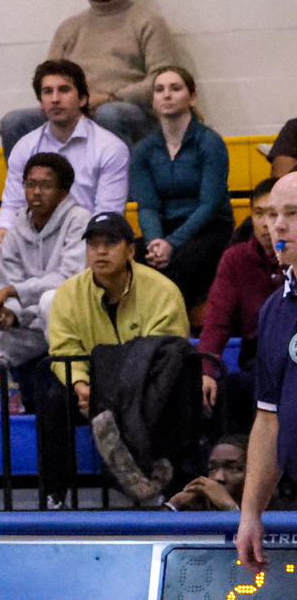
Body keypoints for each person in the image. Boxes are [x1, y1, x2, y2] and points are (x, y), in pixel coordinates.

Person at [39, 211, 189, 507]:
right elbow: (64, 348)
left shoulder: (162, 291)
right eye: (93, 244)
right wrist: (81, 385)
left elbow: (165, 354)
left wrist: (117, 392)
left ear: (131, 250)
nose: (101, 250)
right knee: (54, 401)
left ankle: (171, 491)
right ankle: (54, 494)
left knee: (174, 397)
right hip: (91, 387)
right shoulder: (68, 294)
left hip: (148, 385)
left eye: (111, 242)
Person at [0, 0, 180, 152]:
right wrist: (65, 101)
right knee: (13, 122)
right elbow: (47, 78)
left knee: (109, 115)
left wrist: (110, 98)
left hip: (127, 112)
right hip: (73, 110)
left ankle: (121, 184)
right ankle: (31, 184)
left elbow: (162, 79)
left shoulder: (147, 22)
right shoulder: (69, 28)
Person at [0, 59, 130, 296]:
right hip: (34, 236)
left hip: (82, 237)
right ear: (41, 103)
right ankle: (9, 323)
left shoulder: (110, 147)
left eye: (64, 90)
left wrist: (85, 243)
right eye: (47, 92)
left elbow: (108, 214)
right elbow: (13, 203)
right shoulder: (25, 147)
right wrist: (3, 230)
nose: (55, 98)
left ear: (83, 99)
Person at [0, 152, 89, 374]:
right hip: (31, 324)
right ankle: (4, 407)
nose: (36, 192)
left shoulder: (80, 220)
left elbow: (69, 279)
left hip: (73, 322)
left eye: (46, 185)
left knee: (49, 299)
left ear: (63, 193)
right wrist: (11, 315)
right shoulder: (14, 231)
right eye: (30, 184)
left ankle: (73, 384)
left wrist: (13, 292)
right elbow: (9, 282)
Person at [128, 65, 230, 308]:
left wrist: (172, 243)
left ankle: (173, 336)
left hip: (208, 229)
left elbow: (210, 203)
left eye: (175, 88)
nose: (167, 95)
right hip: (163, 228)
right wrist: (155, 242)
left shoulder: (210, 143)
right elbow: (147, 206)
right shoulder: (143, 150)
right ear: (153, 100)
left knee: (180, 265)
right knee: (127, 260)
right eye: (159, 89)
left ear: (192, 97)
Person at [240, 173, 297, 568]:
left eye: (293, 214)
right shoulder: (275, 309)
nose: (276, 225)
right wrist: (250, 513)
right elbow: (268, 418)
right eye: (272, 214)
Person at [199, 178, 284, 432]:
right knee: (213, 392)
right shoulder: (235, 259)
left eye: (275, 213)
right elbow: (217, 321)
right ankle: (227, 466)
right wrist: (206, 371)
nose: (266, 223)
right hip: (258, 364)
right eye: (259, 213)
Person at [168, 435, 249, 511]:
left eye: (232, 468)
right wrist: (174, 505)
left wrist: (229, 507)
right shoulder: (198, 515)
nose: (218, 477)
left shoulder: (261, 515)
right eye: (212, 469)